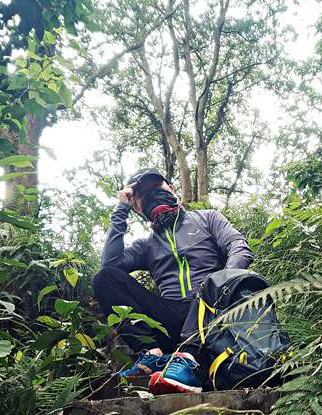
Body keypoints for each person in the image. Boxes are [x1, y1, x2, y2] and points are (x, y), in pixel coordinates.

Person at [92, 168, 253, 394]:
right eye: (144, 195)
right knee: (104, 278)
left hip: (212, 311)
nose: (153, 195)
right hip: (170, 317)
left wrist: (223, 281)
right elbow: (111, 264)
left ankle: (188, 359)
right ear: (137, 206)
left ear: (172, 188)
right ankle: (152, 354)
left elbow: (239, 247)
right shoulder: (146, 245)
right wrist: (121, 208)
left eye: (157, 188)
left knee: (209, 283)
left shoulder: (207, 218)